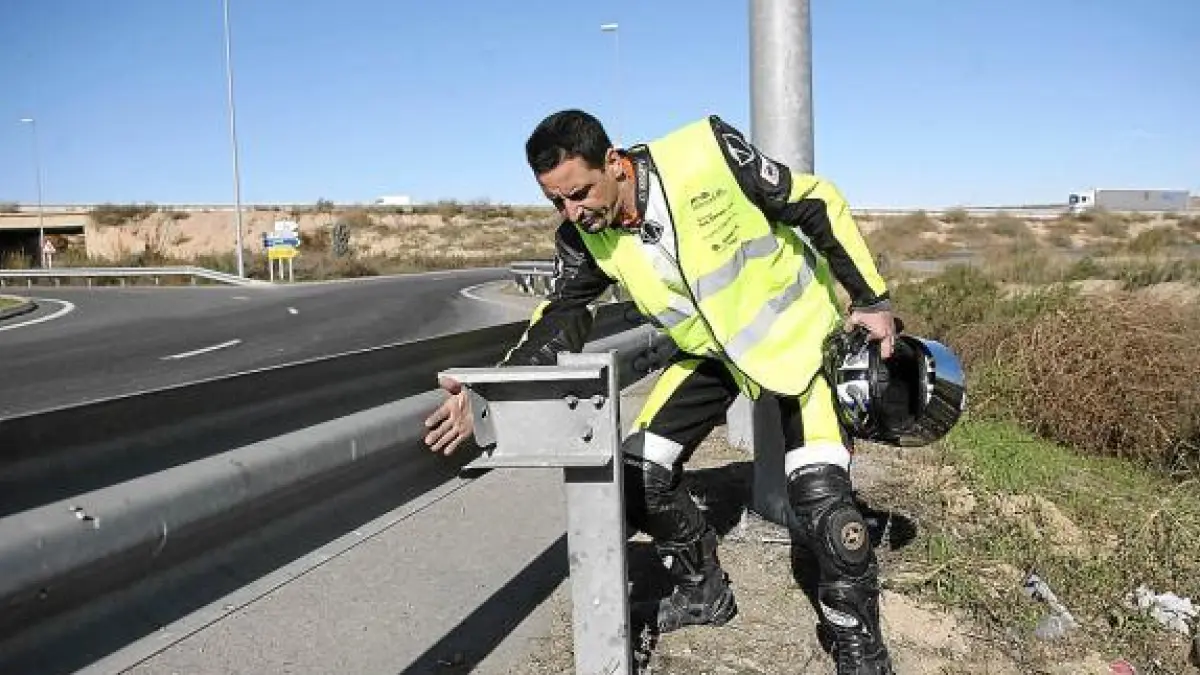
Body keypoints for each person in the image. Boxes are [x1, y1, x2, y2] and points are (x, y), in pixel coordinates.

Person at [424, 109, 897, 674]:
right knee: (635, 474)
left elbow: (814, 201)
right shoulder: (583, 237)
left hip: (799, 339)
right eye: (556, 202)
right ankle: (703, 591)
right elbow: (561, 316)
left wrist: (870, 298)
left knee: (824, 504)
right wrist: (490, 390)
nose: (572, 212)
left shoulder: (705, 154)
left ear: (614, 163)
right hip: (713, 355)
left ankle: (861, 648)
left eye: (579, 193)